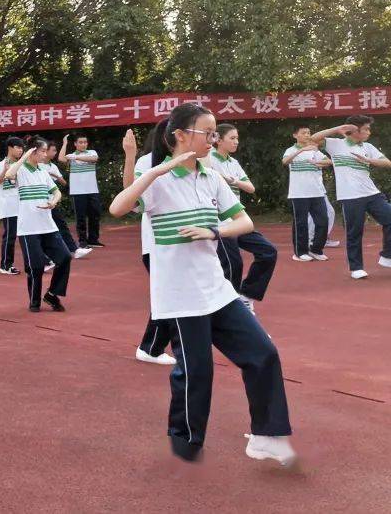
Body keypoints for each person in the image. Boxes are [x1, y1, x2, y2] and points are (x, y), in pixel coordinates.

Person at [109, 103, 295, 466]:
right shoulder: (158, 179)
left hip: (217, 291)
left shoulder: (210, 178)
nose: (213, 139)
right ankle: (185, 442)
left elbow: (244, 222)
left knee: (263, 354)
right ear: (180, 135)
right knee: (197, 373)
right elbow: (119, 207)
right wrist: (154, 170)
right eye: (206, 133)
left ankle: (267, 436)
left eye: (214, 134)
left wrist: (214, 230)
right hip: (180, 296)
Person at [207, 124, 277, 314]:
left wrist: (235, 181)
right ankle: (228, 308)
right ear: (218, 139)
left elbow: (251, 188)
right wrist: (222, 177)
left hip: (238, 220)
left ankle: (246, 295)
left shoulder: (233, 163)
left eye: (237, 138)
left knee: (268, 252)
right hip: (219, 221)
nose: (236, 142)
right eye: (232, 138)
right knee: (233, 265)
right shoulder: (208, 158)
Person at [311, 116, 391, 278]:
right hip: (350, 197)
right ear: (355, 130)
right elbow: (314, 139)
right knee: (355, 232)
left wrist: (370, 160)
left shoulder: (368, 147)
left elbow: (388, 163)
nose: (369, 132)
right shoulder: (336, 145)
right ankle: (356, 268)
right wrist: (337, 129)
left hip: (372, 194)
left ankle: (387, 255)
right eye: (366, 129)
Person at [122, 129, 175, 366]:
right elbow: (131, 198)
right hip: (158, 245)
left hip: (184, 245)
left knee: (177, 295)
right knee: (169, 296)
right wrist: (130, 156)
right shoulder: (149, 162)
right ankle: (151, 347)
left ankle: (156, 346)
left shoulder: (190, 162)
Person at [4, 137, 71, 312]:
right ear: (32, 151)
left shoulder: (43, 171)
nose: (45, 154)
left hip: (48, 226)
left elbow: (56, 192)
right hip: (28, 228)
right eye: (42, 151)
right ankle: (35, 300)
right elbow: (9, 175)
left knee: (64, 257)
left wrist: (53, 202)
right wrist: (23, 157)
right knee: (36, 266)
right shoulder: (20, 171)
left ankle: (52, 294)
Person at [282, 126, 332, 261]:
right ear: (295, 135)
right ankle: (300, 252)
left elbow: (329, 161)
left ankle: (316, 249)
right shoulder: (290, 150)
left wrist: (318, 162)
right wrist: (301, 150)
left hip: (317, 192)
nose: (307, 135)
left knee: (323, 221)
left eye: (309, 133)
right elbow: (285, 161)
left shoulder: (315, 150)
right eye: (303, 133)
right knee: (301, 224)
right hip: (298, 194)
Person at [43, 141, 88, 260]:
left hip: (51, 202)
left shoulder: (53, 166)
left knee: (61, 225)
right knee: (44, 230)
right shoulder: (37, 166)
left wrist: (55, 176)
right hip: (40, 203)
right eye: (52, 150)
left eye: (55, 151)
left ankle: (74, 249)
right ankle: (45, 257)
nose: (54, 153)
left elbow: (63, 182)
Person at [58, 133, 103, 249]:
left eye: (85, 142)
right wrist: (64, 144)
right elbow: (61, 158)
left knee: (95, 214)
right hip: (78, 191)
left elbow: (94, 159)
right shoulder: (71, 155)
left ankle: (93, 239)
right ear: (75, 144)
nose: (83, 144)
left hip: (92, 190)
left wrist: (76, 158)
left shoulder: (91, 152)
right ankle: (83, 241)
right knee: (80, 217)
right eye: (80, 142)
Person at [0, 136, 25, 275]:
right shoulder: (2, 164)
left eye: (22, 148)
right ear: (10, 148)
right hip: (9, 207)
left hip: (22, 206)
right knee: (10, 236)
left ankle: (40, 261)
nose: (20, 150)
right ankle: (5, 265)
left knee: (27, 235)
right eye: (18, 147)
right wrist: (4, 172)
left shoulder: (21, 165)